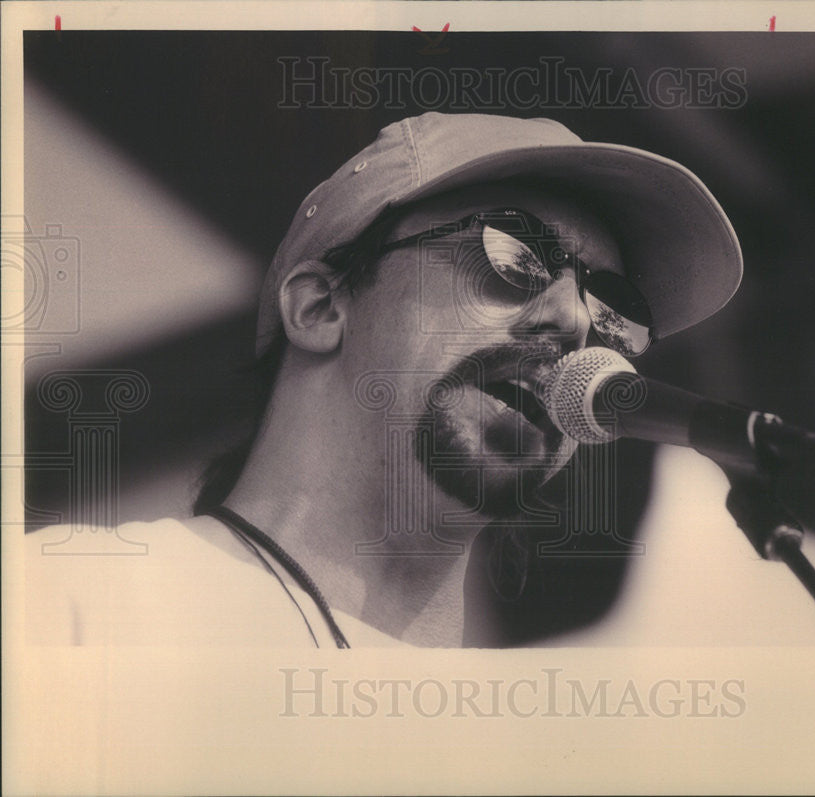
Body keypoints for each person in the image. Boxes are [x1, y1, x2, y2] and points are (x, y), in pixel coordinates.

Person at [25, 112, 742, 647]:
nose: (572, 320)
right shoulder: (62, 611)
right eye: (515, 252)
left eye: (614, 309)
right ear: (321, 306)